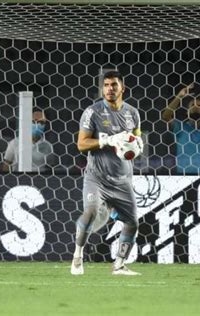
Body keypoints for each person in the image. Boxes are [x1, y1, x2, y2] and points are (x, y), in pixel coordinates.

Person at [71, 70, 143, 276]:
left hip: (122, 180)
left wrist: (138, 144)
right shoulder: (92, 112)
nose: (110, 89)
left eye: (114, 85)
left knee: (132, 223)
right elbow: (81, 144)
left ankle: (119, 265)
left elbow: (136, 139)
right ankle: (77, 256)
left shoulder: (133, 113)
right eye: (106, 85)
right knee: (91, 212)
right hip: (97, 178)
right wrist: (106, 141)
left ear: (123, 88)